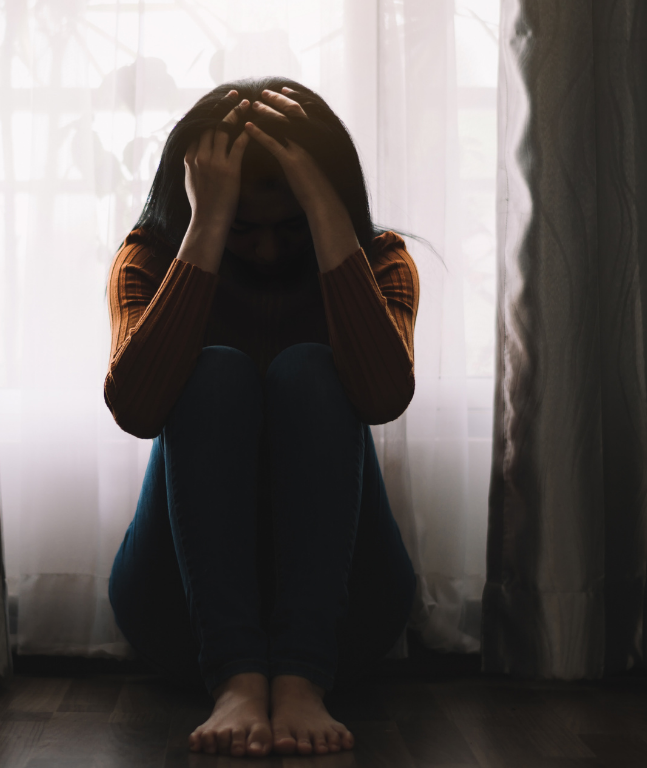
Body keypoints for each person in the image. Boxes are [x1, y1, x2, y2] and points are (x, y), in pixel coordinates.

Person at [103, 77, 420, 759]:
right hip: (178, 615)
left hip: (348, 619)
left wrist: (326, 210)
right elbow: (136, 409)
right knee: (215, 372)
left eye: (292, 226)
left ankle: (304, 675)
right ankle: (236, 677)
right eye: (247, 229)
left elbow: (383, 398)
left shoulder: (382, 260)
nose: (271, 252)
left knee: (310, 369)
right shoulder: (151, 260)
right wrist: (206, 230)